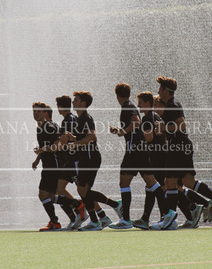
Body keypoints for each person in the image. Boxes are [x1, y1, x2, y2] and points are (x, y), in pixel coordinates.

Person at [153, 76, 212, 230]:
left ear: (166, 90)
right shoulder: (172, 104)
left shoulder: (172, 104)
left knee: (170, 182)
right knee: (187, 181)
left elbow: (182, 125)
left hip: (178, 146)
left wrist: (164, 128)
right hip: (181, 145)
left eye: (160, 88)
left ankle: (170, 219)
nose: (158, 91)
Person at [109, 84, 168, 229]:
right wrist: (119, 131)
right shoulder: (130, 106)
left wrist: (123, 131)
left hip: (133, 150)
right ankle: (168, 213)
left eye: (141, 102)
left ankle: (126, 220)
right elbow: (134, 126)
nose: (139, 105)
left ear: (117, 95)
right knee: (153, 184)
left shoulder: (127, 106)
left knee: (124, 183)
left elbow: (136, 122)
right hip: (141, 150)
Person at [67, 91, 122, 231]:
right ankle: (99, 219)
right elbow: (83, 137)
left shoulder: (86, 118)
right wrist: (73, 138)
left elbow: (92, 137)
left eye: (76, 100)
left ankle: (113, 207)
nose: (73, 102)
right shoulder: (80, 119)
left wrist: (75, 143)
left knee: (83, 190)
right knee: (82, 190)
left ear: (83, 103)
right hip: (85, 158)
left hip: (91, 157)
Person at [131, 91, 176, 229]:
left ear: (147, 103)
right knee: (152, 187)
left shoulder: (147, 118)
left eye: (140, 103)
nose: (139, 106)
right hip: (161, 154)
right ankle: (148, 218)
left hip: (156, 157)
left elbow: (149, 137)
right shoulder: (155, 115)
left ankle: (168, 216)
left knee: (156, 187)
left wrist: (138, 138)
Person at [54, 95, 87, 229]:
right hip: (69, 160)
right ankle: (79, 210)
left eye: (58, 106)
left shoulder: (69, 120)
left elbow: (64, 142)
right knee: (59, 189)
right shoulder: (69, 119)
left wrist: (50, 148)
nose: (57, 109)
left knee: (83, 190)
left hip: (74, 160)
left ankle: (97, 215)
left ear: (61, 107)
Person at [31, 102, 62, 231]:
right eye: (34, 111)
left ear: (45, 113)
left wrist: (43, 149)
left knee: (43, 195)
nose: (36, 114)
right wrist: (37, 160)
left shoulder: (49, 127)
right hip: (47, 165)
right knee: (51, 197)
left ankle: (55, 222)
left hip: (53, 165)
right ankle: (76, 205)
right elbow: (43, 147)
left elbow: (57, 145)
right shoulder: (40, 128)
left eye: (38, 111)